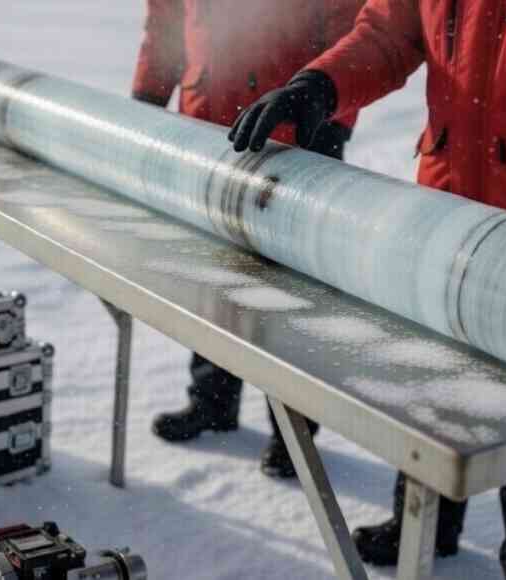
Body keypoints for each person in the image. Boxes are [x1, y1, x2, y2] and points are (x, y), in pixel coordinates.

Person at [228, 0, 506, 577]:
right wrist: (318, 85)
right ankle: (422, 525)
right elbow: (388, 36)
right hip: (445, 214)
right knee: (433, 381)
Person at [131, 0, 364, 479]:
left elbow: (353, 27)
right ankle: (212, 400)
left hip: (290, 137)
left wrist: (331, 122)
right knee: (215, 275)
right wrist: (146, 100)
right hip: (203, 128)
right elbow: (168, 22)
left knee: (287, 300)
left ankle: (293, 434)